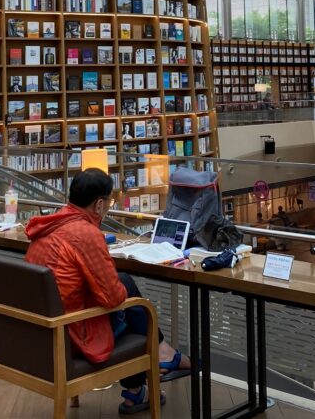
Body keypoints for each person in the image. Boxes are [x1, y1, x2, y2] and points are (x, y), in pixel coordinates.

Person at [25, 169, 191, 415]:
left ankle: (146, 379)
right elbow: (113, 298)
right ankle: (160, 357)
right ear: (100, 204)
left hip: (37, 331)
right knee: (134, 307)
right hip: (71, 334)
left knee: (126, 286)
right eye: (110, 202)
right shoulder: (86, 233)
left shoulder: (52, 223)